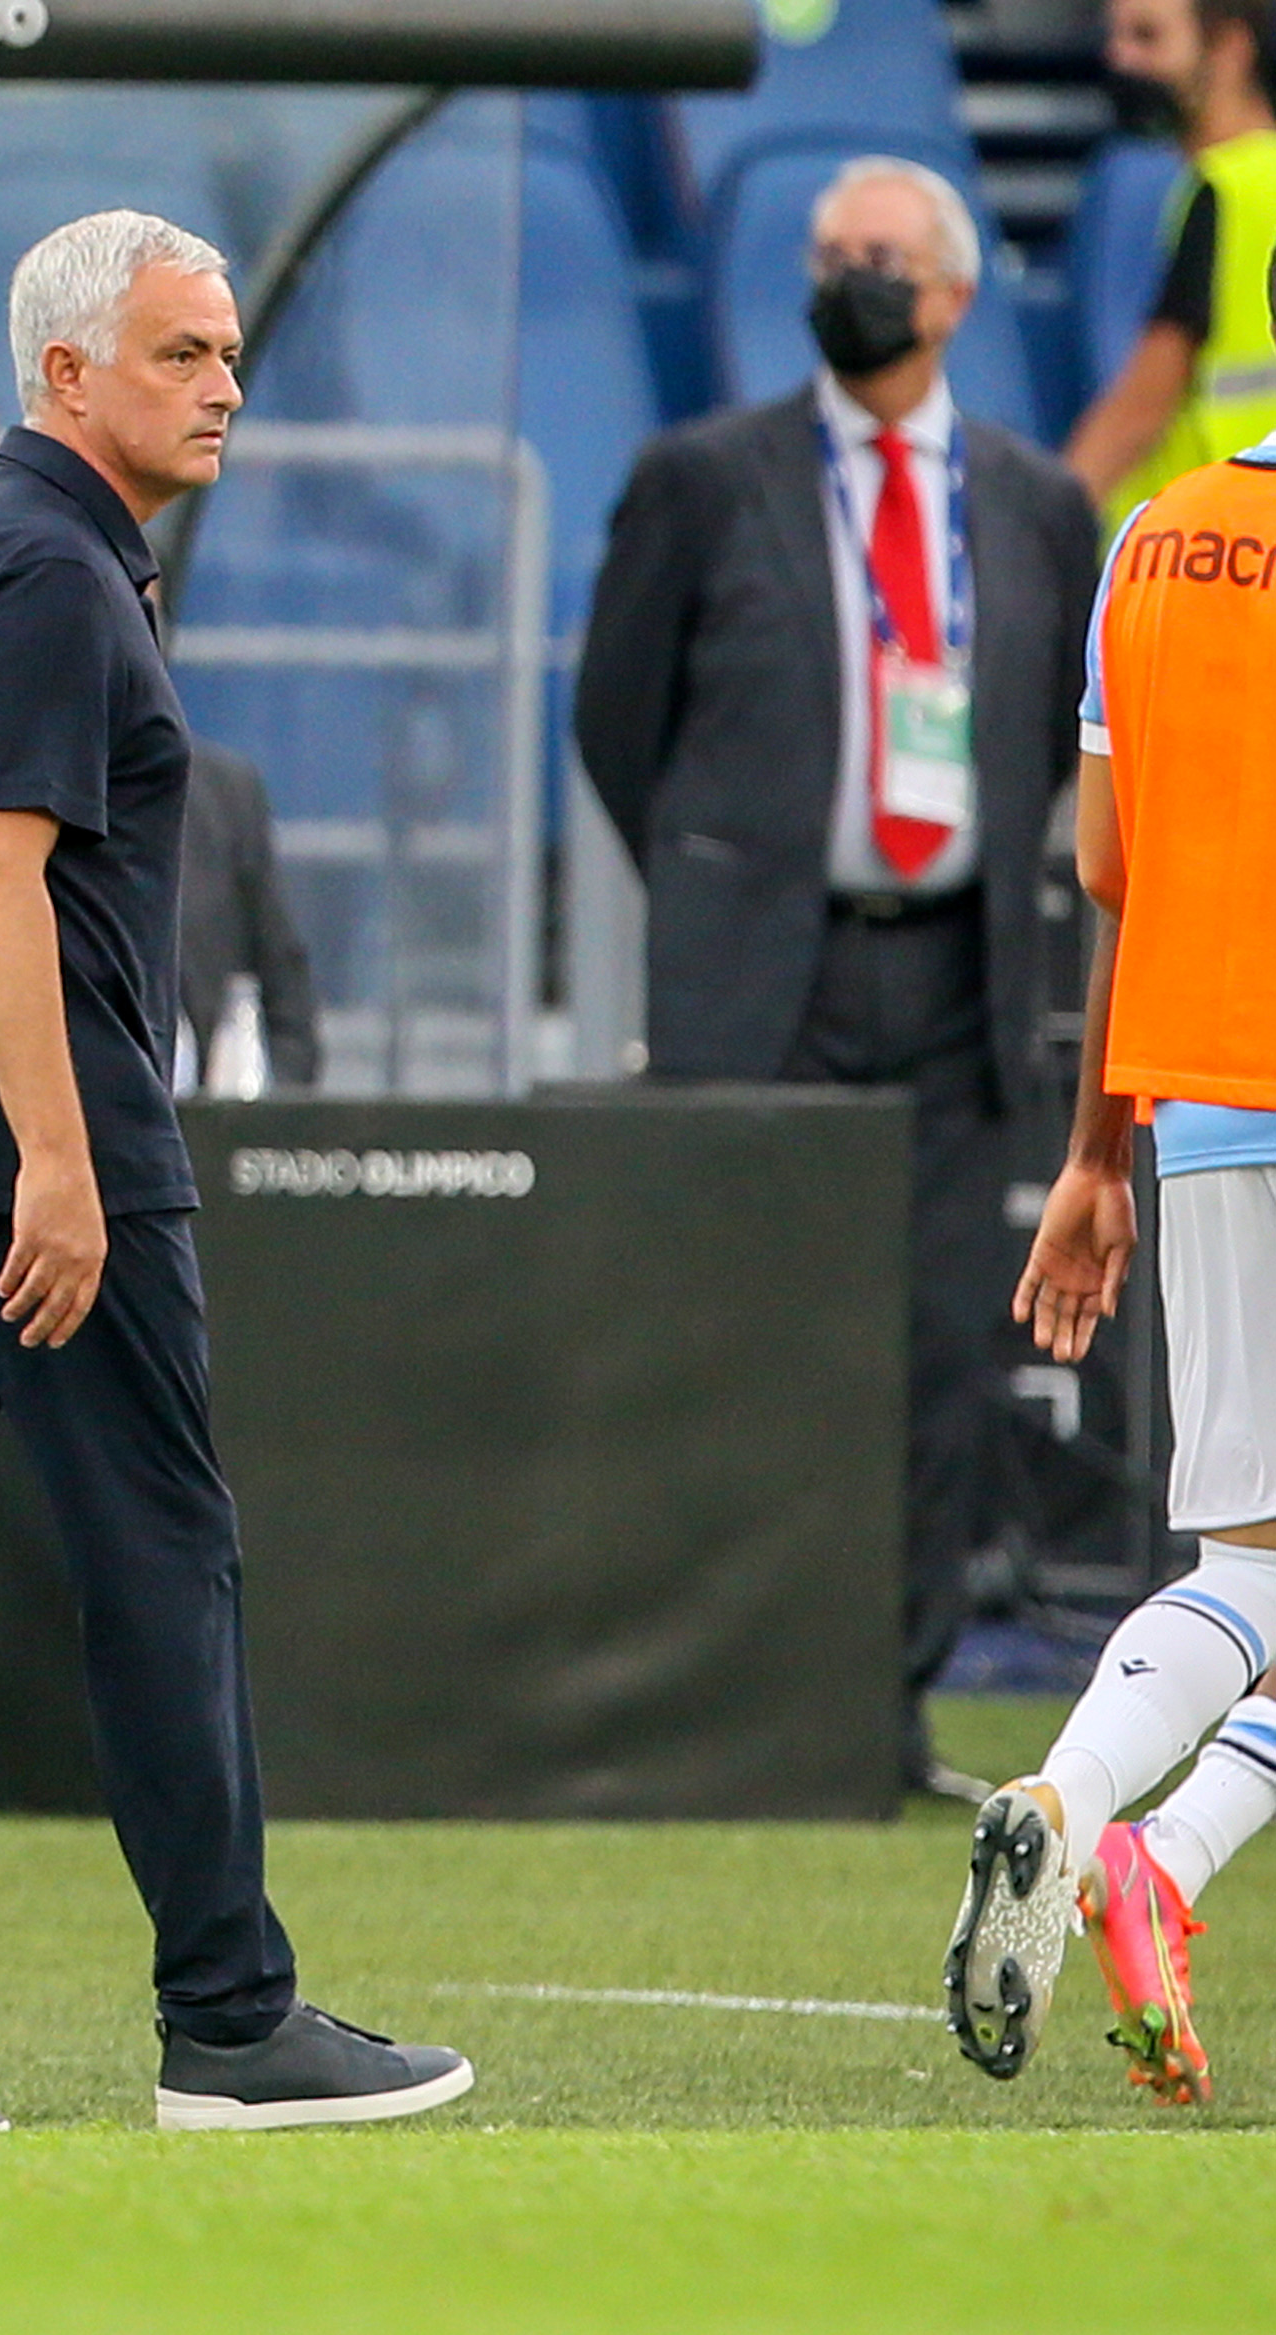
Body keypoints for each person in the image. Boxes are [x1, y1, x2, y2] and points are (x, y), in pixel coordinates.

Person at [0, 209, 470, 2135]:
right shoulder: (54, 570)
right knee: (158, 1558)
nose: (224, 382)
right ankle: (229, 2021)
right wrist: (59, 1162)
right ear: (64, 372)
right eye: (180, 352)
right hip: (23, 1158)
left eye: (228, 352)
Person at [575, 157, 1103, 1799]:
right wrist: (717, 877)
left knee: (938, 1351)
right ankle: (715, 1710)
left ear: (950, 293)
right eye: (824, 256)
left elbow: (1055, 748)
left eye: (876, 256)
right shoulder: (697, 475)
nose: (844, 279)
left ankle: (878, 1716)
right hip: (763, 978)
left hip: (952, 981)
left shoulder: (1031, 504)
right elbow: (614, 720)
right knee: (731, 1340)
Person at [948, 413, 1276, 2107]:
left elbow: (1105, 867)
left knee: (1250, 1562)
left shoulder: (1149, 538)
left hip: (1207, 1098)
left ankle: (1086, 1823)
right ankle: (1150, 1845)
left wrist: (1090, 1151)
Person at [1065, 0, 1276, 517]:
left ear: (1229, 49)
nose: (1120, 59)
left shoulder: (1226, 189)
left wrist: (1041, 525)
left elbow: (1142, 408)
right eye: (1115, 37)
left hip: (1208, 542)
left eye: (1147, 37)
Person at [175, 737, 318, 1095]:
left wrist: (275, 1109)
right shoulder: (36, 799)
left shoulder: (225, 789)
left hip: (217, 1106)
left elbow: (281, 963)